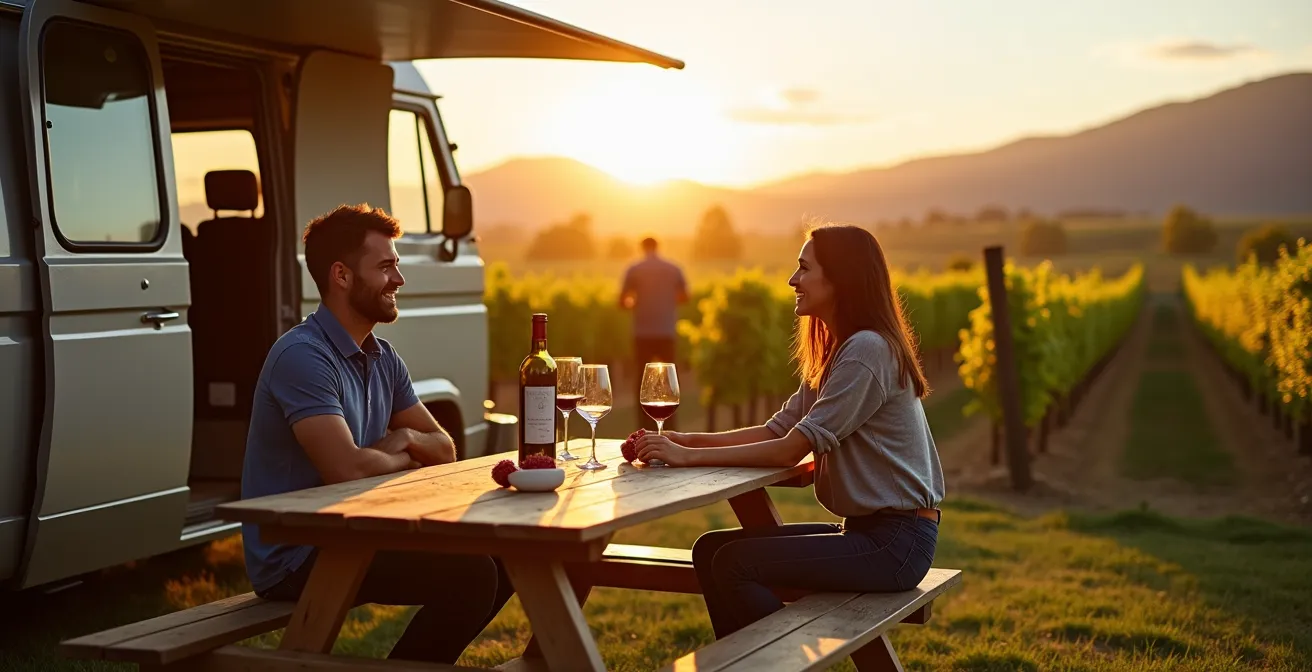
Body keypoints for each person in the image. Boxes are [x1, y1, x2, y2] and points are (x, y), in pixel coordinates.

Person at [634, 224, 945, 639]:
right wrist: (684, 440)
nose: (792, 280)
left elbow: (788, 450)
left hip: (896, 544)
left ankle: (777, 658)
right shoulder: (839, 350)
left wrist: (687, 457)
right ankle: (746, 662)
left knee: (734, 564)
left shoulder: (867, 350)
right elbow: (775, 430)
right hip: (871, 532)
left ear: (840, 278)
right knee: (711, 550)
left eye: (804, 268)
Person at [240, 204, 512, 664]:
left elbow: (444, 449)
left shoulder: (383, 357)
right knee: (472, 574)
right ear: (342, 276)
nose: (398, 279)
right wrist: (405, 450)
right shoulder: (302, 357)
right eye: (386, 267)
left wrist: (403, 441)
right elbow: (345, 470)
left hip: (355, 537)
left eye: (396, 266)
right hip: (296, 555)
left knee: (509, 556)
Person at [619, 237, 689, 429]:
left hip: (642, 332)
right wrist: (666, 302)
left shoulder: (634, 269)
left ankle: (643, 426)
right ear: (658, 247)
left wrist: (637, 303)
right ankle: (671, 426)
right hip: (667, 331)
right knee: (670, 379)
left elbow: (622, 301)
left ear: (642, 248)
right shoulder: (674, 268)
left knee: (641, 380)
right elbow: (685, 296)